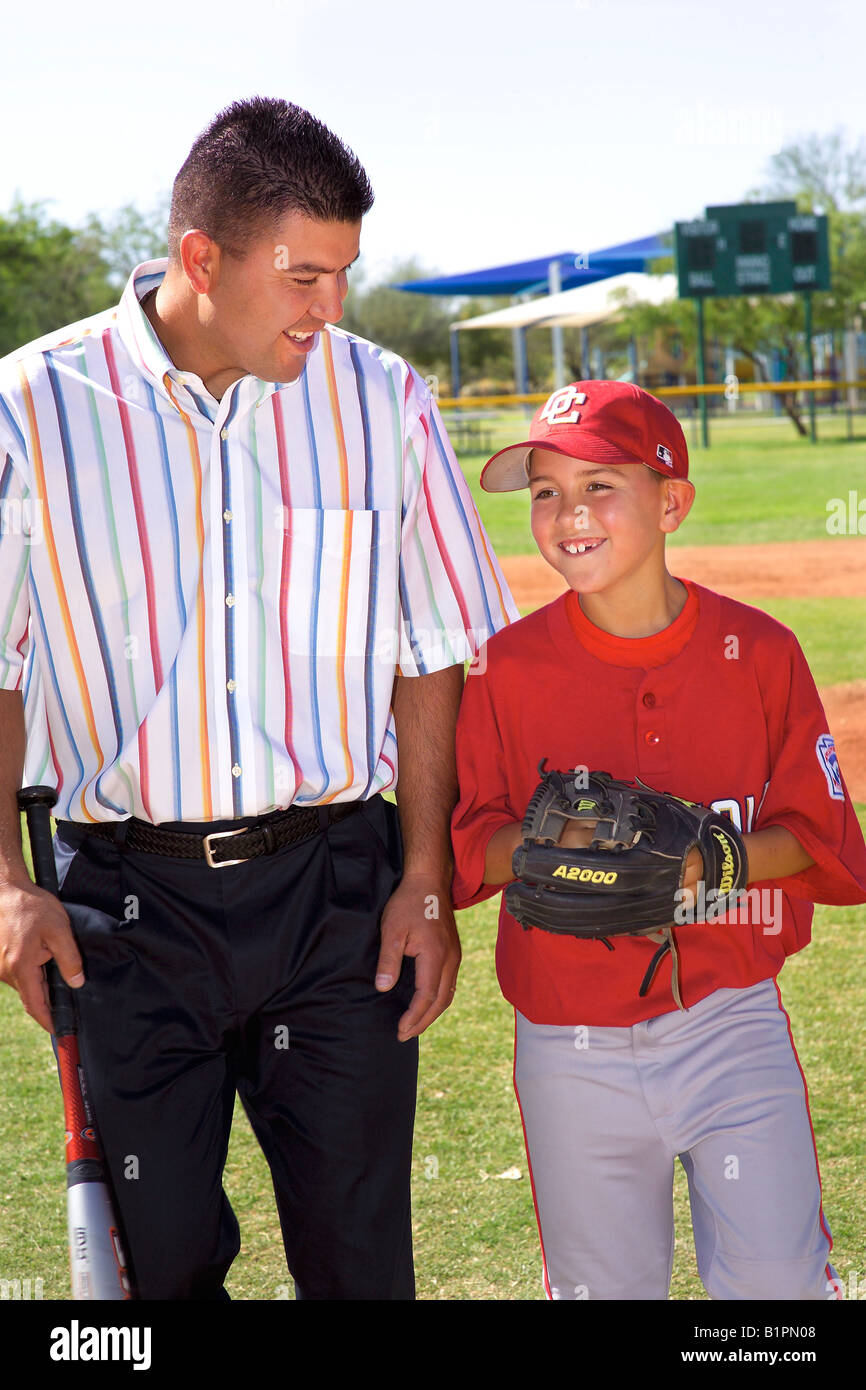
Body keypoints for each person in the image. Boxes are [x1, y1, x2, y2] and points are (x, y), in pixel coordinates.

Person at [0, 96, 516, 1300]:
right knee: (159, 1278)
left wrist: (424, 879)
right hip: (127, 909)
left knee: (360, 1273)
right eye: (301, 276)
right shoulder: (31, 407)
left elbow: (430, 647)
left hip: (334, 897)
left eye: (342, 276)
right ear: (200, 258)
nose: (327, 308)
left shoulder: (380, 397)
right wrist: (9, 885)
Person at [450, 380, 866, 1301]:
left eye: (601, 485)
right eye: (547, 492)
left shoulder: (759, 651)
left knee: (778, 1292)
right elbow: (466, 844)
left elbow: (818, 831)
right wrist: (549, 852)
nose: (569, 515)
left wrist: (706, 863)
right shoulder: (504, 668)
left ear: (671, 500)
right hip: (568, 1039)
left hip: (732, 1020)